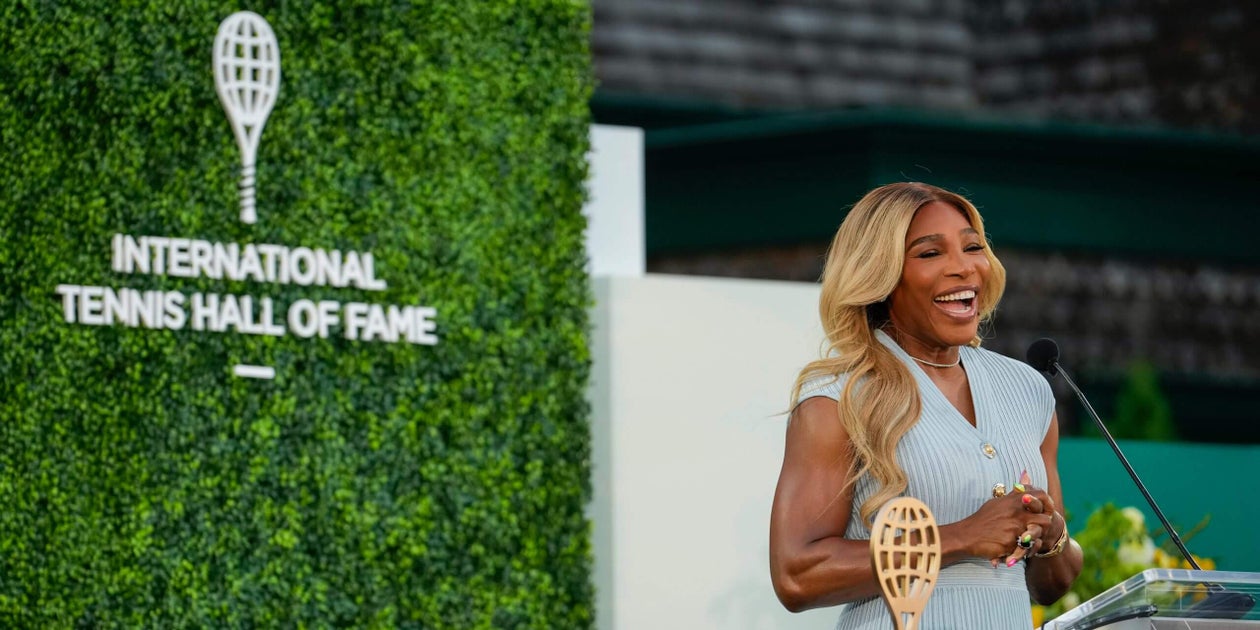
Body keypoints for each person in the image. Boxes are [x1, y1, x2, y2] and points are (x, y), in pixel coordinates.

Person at [769, 182, 1082, 628]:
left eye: (973, 247)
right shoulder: (839, 397)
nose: (963, 268)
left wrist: (1052, 536)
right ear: (881, 276)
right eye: (930, 253)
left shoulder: (1028, 390)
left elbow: (1050, 586)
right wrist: (960, 537)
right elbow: (797, 575)